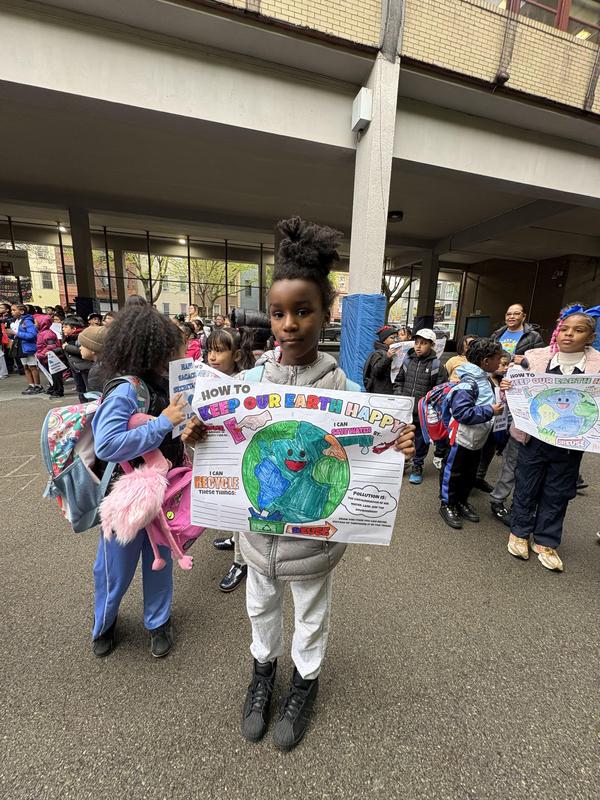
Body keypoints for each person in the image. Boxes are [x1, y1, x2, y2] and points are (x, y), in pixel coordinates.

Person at [183, 216, 415, 751]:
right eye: (279, 313)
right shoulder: (245, 385)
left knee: (311, 612)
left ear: (325, 313)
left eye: (303, 311)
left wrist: (398, 446)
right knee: (260, 605)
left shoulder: (348, 392)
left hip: (313, 535)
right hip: (258, 535)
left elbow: (371, 453)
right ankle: (263, 672)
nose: (289, 324)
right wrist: (194, 434)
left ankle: (305, 682)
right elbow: (212, 442)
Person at [90, 305, 188, 658]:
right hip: (126, 496)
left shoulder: (163, 383)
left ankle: (158, 622)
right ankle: (104, 623)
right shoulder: (126, 390)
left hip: (164, 491)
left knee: (159, 561)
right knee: (114, 569)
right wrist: (162, 424)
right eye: (168, 348)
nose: (174, 354)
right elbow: (108, 444)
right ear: (151, 349)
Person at [506, 305, 600, 572]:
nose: (569, 335)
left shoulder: (597, 366)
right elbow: (515, 388)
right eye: (565, 329)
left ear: (590, 337)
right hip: (534, 438)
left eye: (579, 330)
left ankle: (546, 540)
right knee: (526, 484)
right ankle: (519, 531)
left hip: (572, 443)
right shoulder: (534, 358)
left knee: (558, 491)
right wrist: (508, 386)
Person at [207, 327, 256, 592]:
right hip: (220, 455)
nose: (212, 357)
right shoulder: (207, 382)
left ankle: (241, 562)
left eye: (219, 351)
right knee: (227, 504)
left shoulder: (245, 383)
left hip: (240, 455)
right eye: (209, 350)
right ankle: (235, 540)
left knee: (240, 507)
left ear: (236, 355)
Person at [439, 338, 505, 529]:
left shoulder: (485, 379)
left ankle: (461, 500)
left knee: (469, 473)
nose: (499, 363)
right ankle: (447, 503)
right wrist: (490, 411)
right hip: (462, 438)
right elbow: (461, 413)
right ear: (485, 361)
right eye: (497, 359)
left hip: (478, 439)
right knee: (453, 472)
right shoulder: (468, 383)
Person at [393, 327, 448, 485]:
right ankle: (402, 463)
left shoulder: (437, 365)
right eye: (416, 342)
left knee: (421, 440)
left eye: (423, 343)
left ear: (431, 345)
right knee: (402, 437)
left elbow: (440, 391)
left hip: (423, 413)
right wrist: (400, 397)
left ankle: (417, 466)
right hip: (405, 410)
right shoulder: (407, 360)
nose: (418, 346)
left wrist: (429, 405)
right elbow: (399, 381)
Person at [472, 350, 511, 494]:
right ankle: (470, 482)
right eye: (502, 364)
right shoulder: (484, 381)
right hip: (483, 423)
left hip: (498, 425)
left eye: (508, 365)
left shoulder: (505, 381)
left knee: (489, 454)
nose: (505, 368)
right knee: (477, 456)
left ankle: (479, 479)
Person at [8, 303, 43, 394]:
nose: (11, 312)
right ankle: (31, 385)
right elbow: (15, 335)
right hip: (20, 346)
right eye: (11, 310)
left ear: (22, 311)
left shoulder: (27, 321)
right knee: (25, 367)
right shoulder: (15, 322)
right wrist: (11, 335)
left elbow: (32, 335)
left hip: (28, 346)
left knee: (32, 366)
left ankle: (38, 385)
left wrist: (16, 333)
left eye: (14, 310)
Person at [62, 315, 93, 402]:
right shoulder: (68, 338)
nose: (63, 329)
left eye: (66, 327)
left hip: (85, 368)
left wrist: (67, 348)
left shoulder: (81, 337)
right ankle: (83, 408)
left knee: (90, 390)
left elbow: (84, 352)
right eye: (63, 327)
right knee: (80, 389)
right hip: (76, 368)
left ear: (74, 328)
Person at [34, 314, 65, 398]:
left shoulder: (47, 333)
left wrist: (41, 354)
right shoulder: (42, 333)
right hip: (45, 358)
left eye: (36, 322)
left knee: (56, 376)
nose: (35, 324)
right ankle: (53, 388)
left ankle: (58, 391)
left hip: (51, 358)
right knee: (51, 375)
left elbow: (51, 346)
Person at [362, 325, 398, 394]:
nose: (395, 340)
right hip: (381, 392)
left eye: (396, 337)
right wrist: (387, 357)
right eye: (392, 338)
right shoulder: (378, 353)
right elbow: (377, 371)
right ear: (384, 340)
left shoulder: (394, 351)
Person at [79, 325, 107, 392]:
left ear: (93, 349)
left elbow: (97, 399)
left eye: (83, 345)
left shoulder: (98, 373)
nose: (80, 348)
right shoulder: (105, 365)